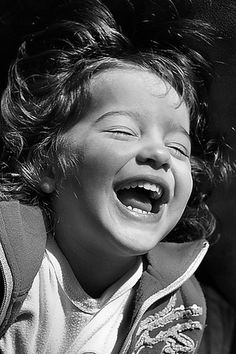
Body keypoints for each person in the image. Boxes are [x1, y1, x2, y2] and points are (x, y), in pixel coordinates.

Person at [0, 0, 229, 353]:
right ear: (46, 163)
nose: (160, 153)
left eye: (179, 148)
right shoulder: (7, 256)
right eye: (123, 131)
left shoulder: (182, 309)